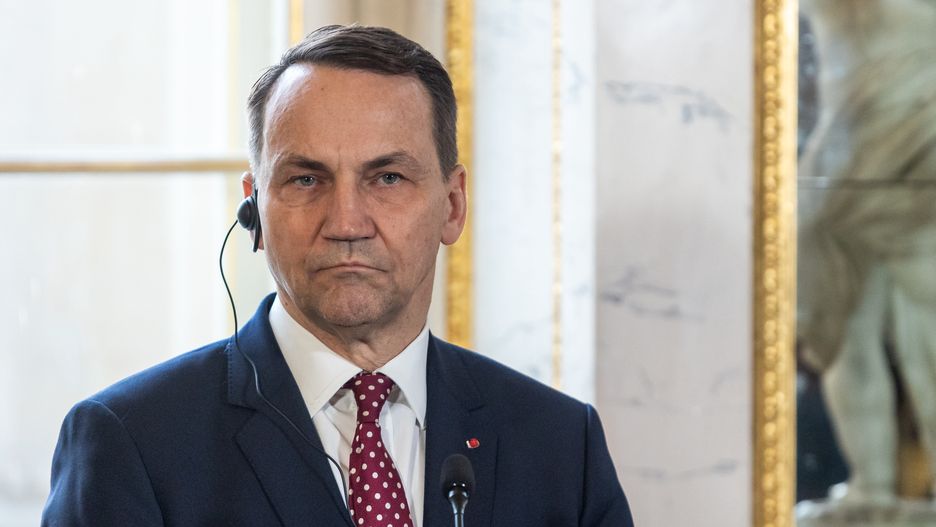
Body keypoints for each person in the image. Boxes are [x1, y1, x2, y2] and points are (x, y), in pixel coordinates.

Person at [42, 25, 633, 526]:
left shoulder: (561, 445)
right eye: (306, 179)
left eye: (387, 178)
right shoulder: (131, 442)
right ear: (254, 208)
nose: (347, 223)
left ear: (452, 206)